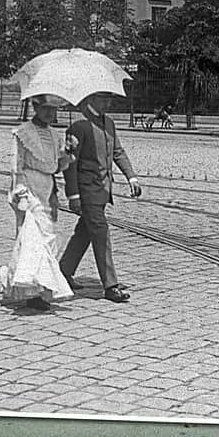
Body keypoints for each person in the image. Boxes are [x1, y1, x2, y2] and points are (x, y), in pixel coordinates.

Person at [59, 92, 142, 303]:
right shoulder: (79, 125)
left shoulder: (109, 123)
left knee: (84, 232)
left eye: (109, 98)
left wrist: (131, 177)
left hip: (102, 191)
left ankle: (63, 272)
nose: (108, 102)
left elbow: (117, 152)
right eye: (103, 98)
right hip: (86, 192)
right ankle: (110, 286)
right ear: (91, 99)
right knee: (101, 233)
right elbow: (70, 164)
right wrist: (74, 194)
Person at [0, 95, 76, 311]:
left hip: (46, 188)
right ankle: (32, 292)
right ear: (34, 107)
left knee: (48, 236)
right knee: (34, 237)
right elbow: (17, 165)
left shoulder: (55, 134)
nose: (50, 114)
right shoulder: (22, 133)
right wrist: (21, 193)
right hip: (29, 189)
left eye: (53, 110)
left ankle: (37, 287)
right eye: (45, 109)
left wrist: (68, 154)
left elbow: (56, 166)